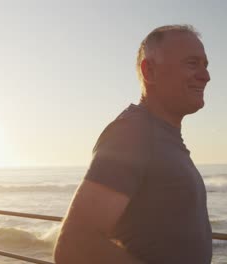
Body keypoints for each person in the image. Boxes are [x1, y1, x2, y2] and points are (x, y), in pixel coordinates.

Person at [54, 24, 212, 264]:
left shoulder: (161, 136)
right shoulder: (133, 133)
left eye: (205, 65)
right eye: (192, 63)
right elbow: (74, 245)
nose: (205, 75)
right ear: (149, 71)